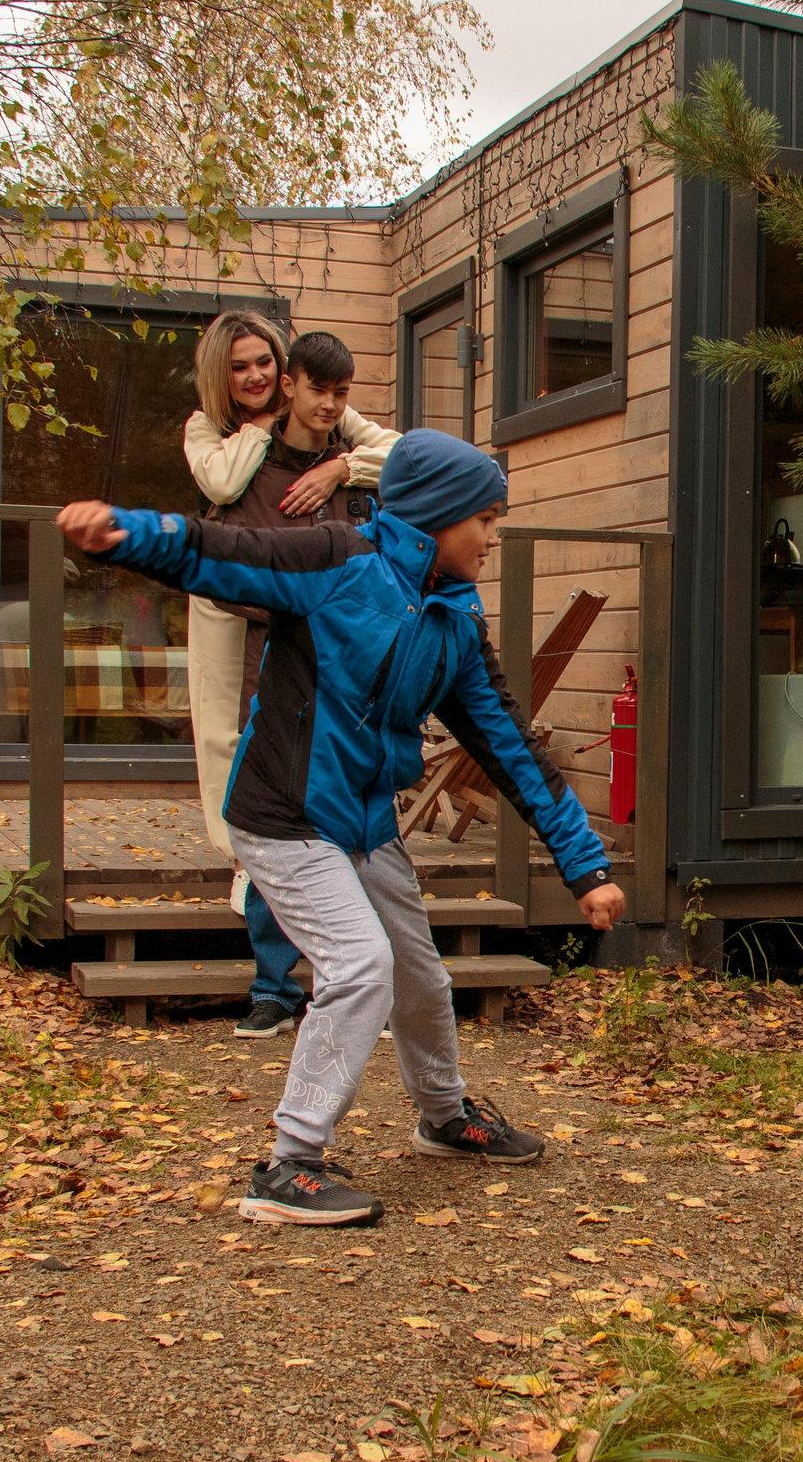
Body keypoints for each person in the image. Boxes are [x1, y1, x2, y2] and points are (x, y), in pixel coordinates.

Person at [56, 429, 625, 1226]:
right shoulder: (335, 561)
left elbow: (511, 747)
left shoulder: (455, 621)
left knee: (418, 973)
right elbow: (224, 550)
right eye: (485, 520)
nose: (494, 538)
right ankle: (288, 1164)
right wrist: (130, 534)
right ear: (434, 517)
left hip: (364, 824)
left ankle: (443, 1115)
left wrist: (586, 867)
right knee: (360, 965)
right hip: (285, 818)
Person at [181, 315, 403, 1038]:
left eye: (264, 364)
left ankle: (348, 975)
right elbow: (226, 553)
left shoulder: (337, 442)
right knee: (269, 809)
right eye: (241, 367)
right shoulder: (228, 449)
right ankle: (273, 983)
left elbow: (399, 460)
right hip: (256, 651)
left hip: (336, 667)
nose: (255, 377)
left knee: (334, 813)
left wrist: (341, 468)